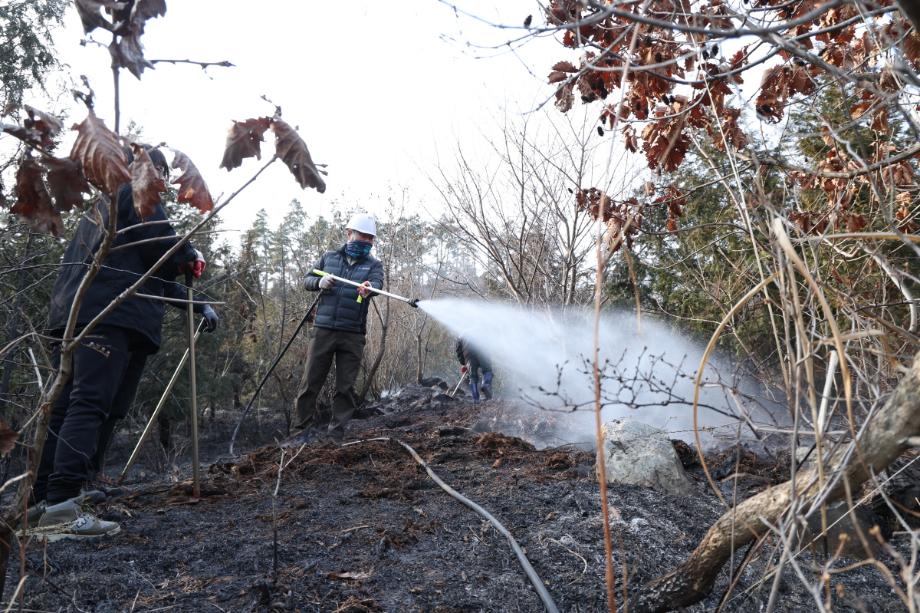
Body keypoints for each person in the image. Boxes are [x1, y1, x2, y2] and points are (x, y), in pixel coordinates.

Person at [27, 146, 218, 540]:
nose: (162, 185)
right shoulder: (134, 191)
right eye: (161, 175)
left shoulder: (103, 209)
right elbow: (162, 244)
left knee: (68, 407)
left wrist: (194, 302)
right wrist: (188, 252)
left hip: (77, 313)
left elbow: (147, 265)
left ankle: (46, 500)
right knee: (90, 404)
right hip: (108, 317)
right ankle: (62, 506)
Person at [294, 213, 384, 442]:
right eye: (362, 237)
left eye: (369, 240)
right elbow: (307, 280)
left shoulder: (374, 265)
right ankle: (301, 433)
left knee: (345, 388)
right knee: (309, 384)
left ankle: (335, 435)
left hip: (353, 334)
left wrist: (369, 289)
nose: (365, 242)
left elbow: (377, 285)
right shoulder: (329, 257)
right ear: (349, 234)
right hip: (323, 330)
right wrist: (318, 282)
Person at [456, 335, 493, 403]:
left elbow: (459, 351)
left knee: (472, 377)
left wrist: (464, 363)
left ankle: (476, 399)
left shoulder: (461, 334)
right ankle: (486, 385)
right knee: (487, 370)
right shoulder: (481, 329)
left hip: (469, 354)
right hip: (482, 351)